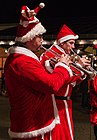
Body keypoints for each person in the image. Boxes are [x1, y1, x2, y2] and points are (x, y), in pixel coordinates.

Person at [4, 3, 73, 140]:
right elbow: (51, 85)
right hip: (33, 123)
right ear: (29, 38)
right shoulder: (23, 61)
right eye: (39, 36)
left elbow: (39, 79)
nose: (42, 40)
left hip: (35, 120)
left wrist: (51, 67)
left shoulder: (22, 58)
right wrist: (62, 66)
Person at [40, 24, 90, 140]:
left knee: (65, 133)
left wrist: (82, 71)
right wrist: (79, 68)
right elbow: (63, 77)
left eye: (74, 43)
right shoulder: (51, 55)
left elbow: (72, 81)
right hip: (55, 101)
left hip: (64, 101)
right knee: (58, 134)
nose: (73, 46)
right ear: (62, 43)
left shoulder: (64, 55)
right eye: (71, 43)